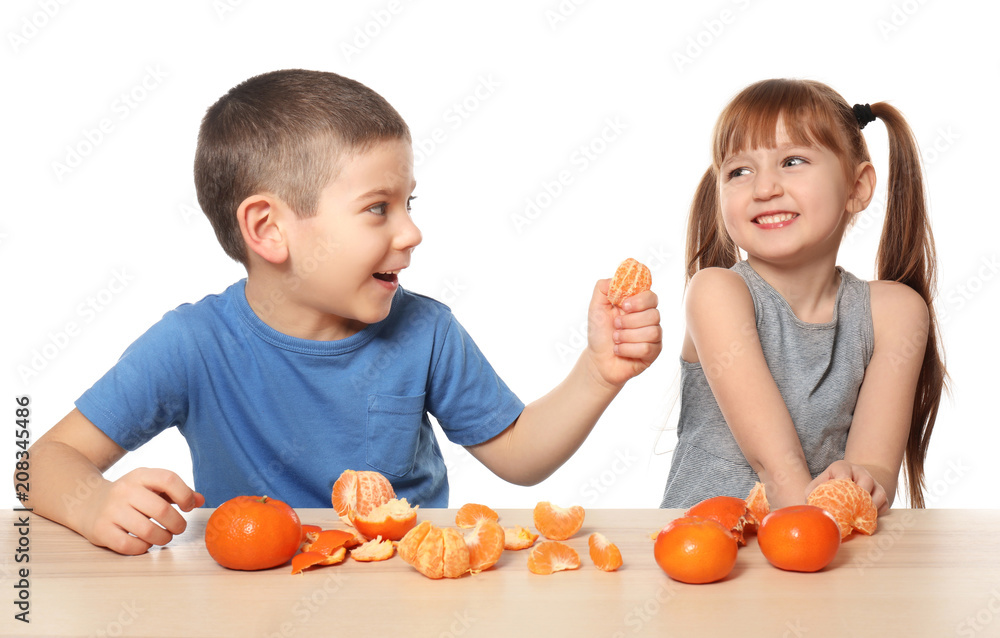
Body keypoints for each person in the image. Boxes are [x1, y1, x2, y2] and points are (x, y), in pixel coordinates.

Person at [25, 69, 662, 555]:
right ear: (269, 229)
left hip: (402, 591)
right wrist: (96, 503)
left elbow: (520, 457)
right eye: (378, 207)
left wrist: (598, 372)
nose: (411, 232)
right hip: (250, 600)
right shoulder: (193, 345)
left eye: (410, 202)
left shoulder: (425, 331)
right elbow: (43, 462)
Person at [660, 78, 945, 512]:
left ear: (857, 187)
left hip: (819, 555)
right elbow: (779, 470)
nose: (764, 188)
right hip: (704, 561)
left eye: (792, 161)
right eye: (740, 171)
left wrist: (860, 485)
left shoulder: (896, 313)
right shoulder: (717, 292)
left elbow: (874, 471)